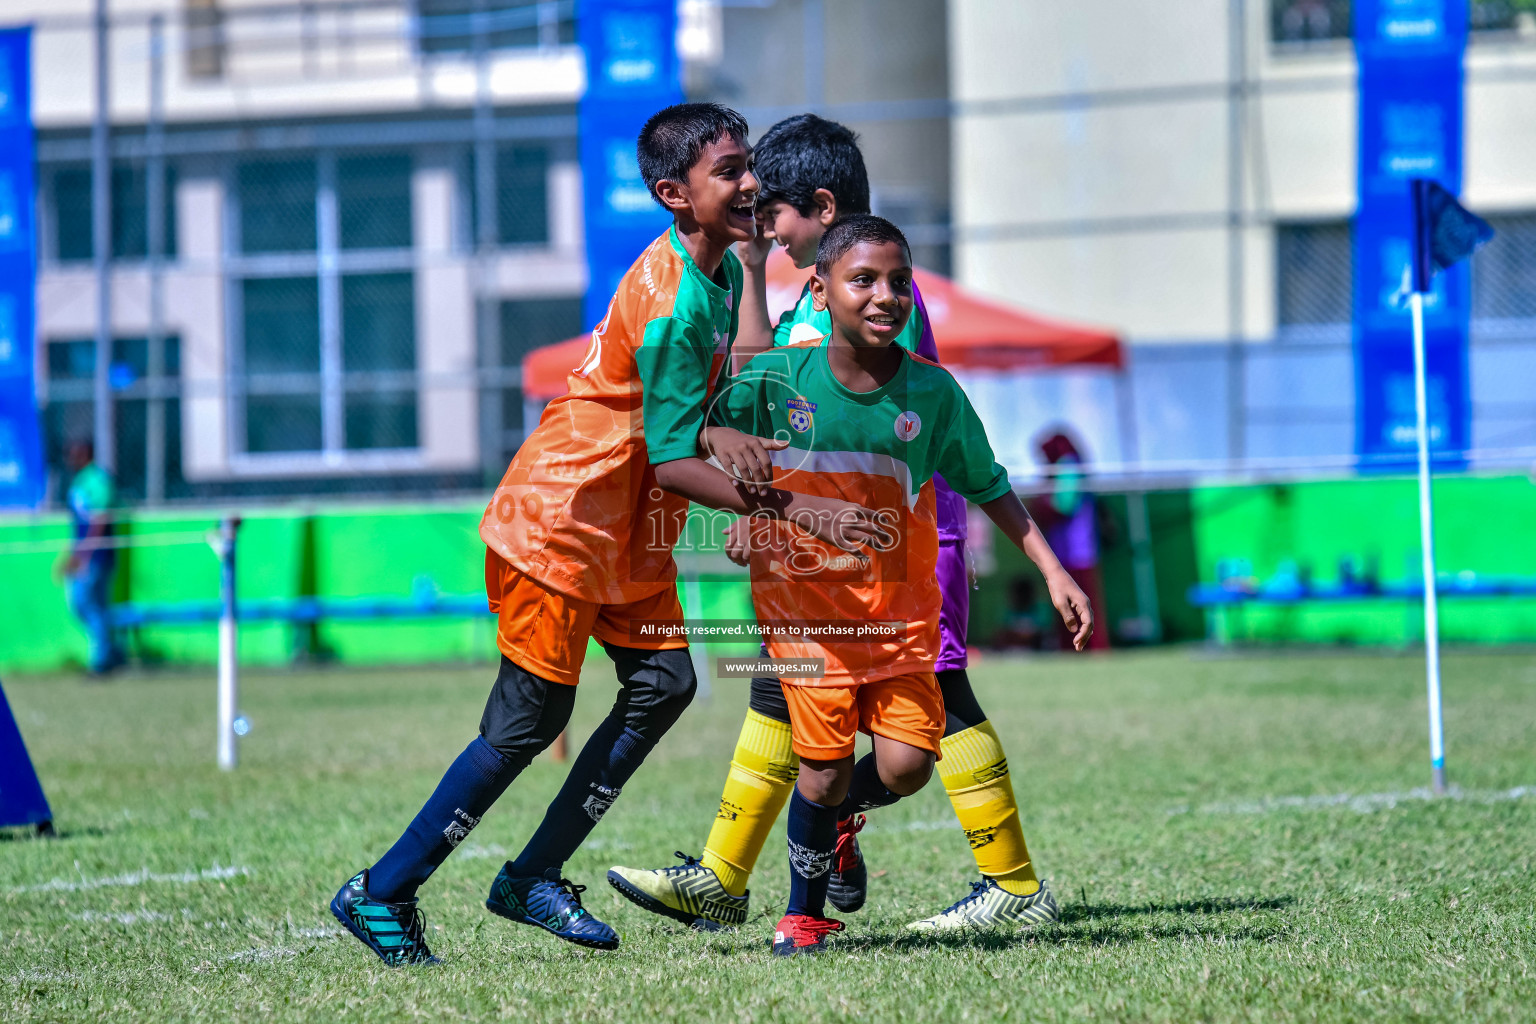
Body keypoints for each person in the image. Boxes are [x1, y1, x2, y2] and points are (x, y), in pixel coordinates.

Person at [330, 102, 877, 966]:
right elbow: (668, 460)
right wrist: (786, 508)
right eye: (729, 171)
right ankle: (382, 891)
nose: (750, 183)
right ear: (673, 193)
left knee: (663, 685)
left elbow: (714, 395)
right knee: (525, 722)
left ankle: (531, 877)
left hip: (629, 535)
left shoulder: (722, 272)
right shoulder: (671, 303)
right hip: (565, 522)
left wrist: (734, 426)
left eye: (749, 167)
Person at [608, 115, 1075, 934]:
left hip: (894, 553)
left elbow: (790, 399)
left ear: (820, 209)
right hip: (815, 559)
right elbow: (766, 390)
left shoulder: (863, 294)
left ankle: (1010, 883)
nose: (761, 216)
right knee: (778, 694)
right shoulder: (832, 293)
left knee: (939, 702)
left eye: (775, 208)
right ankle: (730, 873)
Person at [689, 216, 1091, 954]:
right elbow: (707, 436)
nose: (886, 296)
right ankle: (802, 915)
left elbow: (990, 485)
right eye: (864, 281)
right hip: (808, 621)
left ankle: (835, 817)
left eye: (900, 281)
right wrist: (749, 504)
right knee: (822, 770)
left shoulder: (933, 394)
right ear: (821, 289)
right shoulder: (781, 379)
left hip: (899, 619)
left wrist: (1053, 568)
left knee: (906, 767)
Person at [1034, 430, 1110, 652]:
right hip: (1064, 550)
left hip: (1077, 550)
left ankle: (1089, 648)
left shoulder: (1068, 463)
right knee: (1068, 606)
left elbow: (1064, 504)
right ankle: (1074, 648)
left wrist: (1038, 505)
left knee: (1081, 604)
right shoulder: (1061, 465)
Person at [57, 440, 121, 675]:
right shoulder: (79, 480)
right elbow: (78, 526)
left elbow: (99, 520)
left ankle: (102, 660)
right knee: (87, 607)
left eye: (75, 453)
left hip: (96, 556)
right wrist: (70, 555)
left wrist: (84, 556)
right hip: (83, 555)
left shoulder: (98, 479)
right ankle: (110, 653)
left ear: (87, 453)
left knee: (87, 604)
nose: (71, 459)